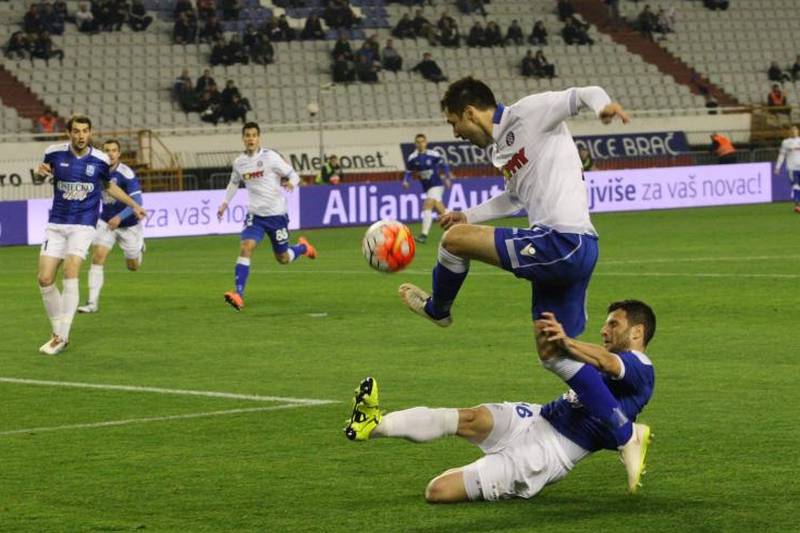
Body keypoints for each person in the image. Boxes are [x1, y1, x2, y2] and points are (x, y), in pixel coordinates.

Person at [397, 78, 641, 481]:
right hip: (566, 249)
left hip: (561, 241)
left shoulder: (530, 112)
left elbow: (583, 94)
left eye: (454, 122)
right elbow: (514, 198)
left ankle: (438, 309)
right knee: (555, 353)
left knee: (453, 242)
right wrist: (469, 216)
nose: (454, 131)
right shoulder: (501, 149)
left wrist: (604, 107)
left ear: (471, 112)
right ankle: (624, 432)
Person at [344, 300, 656, 500]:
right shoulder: (617, 362)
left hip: (547, 454)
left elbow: (605, 362)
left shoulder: (641, 367)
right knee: (471, 417)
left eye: (613, 324)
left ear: (637, 332)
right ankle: (374, 424)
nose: (604, 330)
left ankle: (499, 479)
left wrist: (566, 342)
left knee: (437, 491)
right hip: (538, 417)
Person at [36, 115, 146, 355]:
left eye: (85, 131)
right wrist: (39, 174)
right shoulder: (53, 153)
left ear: (90, 133)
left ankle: (63, 336)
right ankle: (57, 332)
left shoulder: (100, 160)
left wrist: (134, 205)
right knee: (44, 279)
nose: (81, 135)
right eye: (76, 131)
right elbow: (41, 176)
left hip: (83, 225)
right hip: (56, 224)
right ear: (69, 133)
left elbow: (108, 187)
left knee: (71, 268)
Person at [217, 122, 317, 311]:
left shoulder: (271, 157)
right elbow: (233, 183)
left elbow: (292, 174)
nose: (250, 139)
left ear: (259, 138)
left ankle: (303, 247)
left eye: (254, 135)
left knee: (283, 258)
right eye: (247, 135)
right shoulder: (239, 162)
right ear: (243, 138)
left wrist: (291, 183)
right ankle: (238, 294)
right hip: (255, 216)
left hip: (276, 216)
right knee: (246, 247)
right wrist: (224, 203)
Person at [77, 139, 145, 314]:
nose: (111, 153)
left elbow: (137, 202)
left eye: (114, 150)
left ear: (119, 154)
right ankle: (92, 303)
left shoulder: (126, 174)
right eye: (107, 150)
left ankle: (139, 249)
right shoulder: (97, 171)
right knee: (98, 257)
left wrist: (120, 217)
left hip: (128, 225)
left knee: (133, 266)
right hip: (106, 222)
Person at [403, 133, 453, 243]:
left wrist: (447, 177)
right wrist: (406, 181)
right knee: (441, 210)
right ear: (415, 144)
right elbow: (408, 171)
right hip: (427, 187)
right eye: (418, 142)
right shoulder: (412, 158)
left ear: (426, 142)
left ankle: (424, 235)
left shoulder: (433, 154)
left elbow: (443, 165)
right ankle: (455, 227)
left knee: (427, 204)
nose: (420, 144)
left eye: (422, 141)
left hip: (437, 185)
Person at [774, 126, 800, 214]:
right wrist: (778, 167)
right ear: (789, 132)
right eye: (792, 131)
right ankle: (797, 205)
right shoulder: (785, 142)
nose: (793, 132)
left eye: (795, 130)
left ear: (798, 132)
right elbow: (781, 155)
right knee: (796, 186)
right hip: (792, 168)